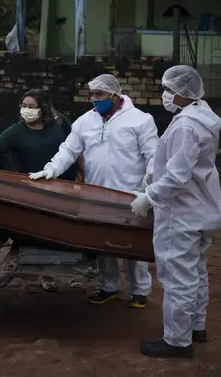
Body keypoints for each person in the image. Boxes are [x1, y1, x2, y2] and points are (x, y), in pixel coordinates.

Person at [29, 74, 158, 309]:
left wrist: (149, 190)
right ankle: (108, 286)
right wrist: (51, 169)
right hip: (97, 193)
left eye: (100, 94)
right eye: (92, 95)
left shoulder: (140, 120)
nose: (95, 99)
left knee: (133, 244)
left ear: (114, 95)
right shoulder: (85, 121)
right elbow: (68, 149)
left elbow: (153, 156)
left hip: (131, 193)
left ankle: (139, 290)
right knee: (103, 243)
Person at [130, 65, 221, 359]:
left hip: (180, 213)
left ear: (183, 93)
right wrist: (154, 176)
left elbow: (177, 176)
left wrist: (149, 196)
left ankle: (177, 341)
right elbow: (183, 166)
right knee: (196, 271)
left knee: (177, 278)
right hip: (201, 208)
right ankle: (196, 326)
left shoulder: (186, 126)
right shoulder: (201, 116)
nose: (165, 94)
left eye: (168, 89)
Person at [0, 89, 78, 181]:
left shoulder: (59, 123)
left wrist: (84, 174)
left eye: (31, 107)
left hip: (66, 184)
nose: (27, 110)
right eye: (24, 106)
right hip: (35, 184)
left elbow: (75, 147)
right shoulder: (16, 131)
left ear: (43, 109)